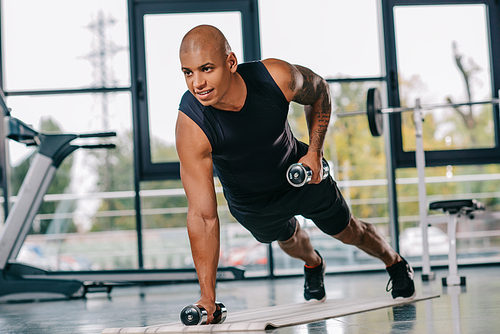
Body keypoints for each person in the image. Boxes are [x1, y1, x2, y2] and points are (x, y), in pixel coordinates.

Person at [175, 24, 415, 323]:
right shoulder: (192, 126)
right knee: (289, 239)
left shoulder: (276, 77)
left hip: (299, 176)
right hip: (251, 202)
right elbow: (203, 216)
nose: (197, 83)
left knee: (348, 231)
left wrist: (314, 151)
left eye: (206, 69)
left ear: (231, 63)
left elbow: (321, 91)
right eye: (188, 73)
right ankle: (314, 264)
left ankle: (394, 261)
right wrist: (207, 298)